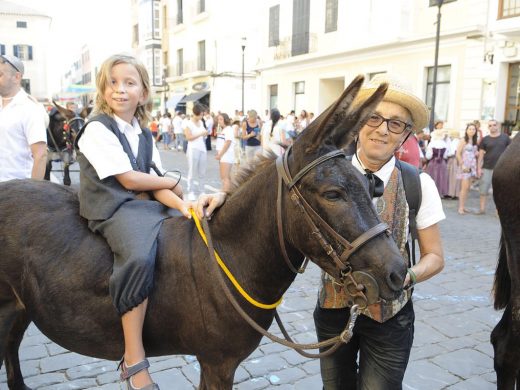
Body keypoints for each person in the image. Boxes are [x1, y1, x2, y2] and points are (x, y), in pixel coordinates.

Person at [313, 74, 445, 390]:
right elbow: (279, 188)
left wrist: (408, 277)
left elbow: (435, 256)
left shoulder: (419, 184)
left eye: (396, 124)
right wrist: (222, 197)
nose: (383, 128)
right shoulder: (325, 176)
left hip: (391, 319)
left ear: (405, 136)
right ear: (358, 123)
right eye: (374, 117)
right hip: (333, 313)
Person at [75, 54, 191, 389]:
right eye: (113, 82)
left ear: (143, 93)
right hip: (111, 207)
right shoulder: (97, 128)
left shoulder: (143, 134)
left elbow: (155, 182)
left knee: (185, 235)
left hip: (139, 204)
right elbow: (130, 180)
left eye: (129, 83)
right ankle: (133, 357)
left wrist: (184, 207)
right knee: (139, 256)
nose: (120, 90)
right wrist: (171, 183)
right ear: (103, 88)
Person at [0, 54, 48, 182]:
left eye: (0, 75)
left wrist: (33, 193)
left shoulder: (30, 109)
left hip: (17, 190)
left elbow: (40, 155)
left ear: (17, 77)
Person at [476, 119, 511, 214]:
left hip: (501, 169)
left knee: (500, 191)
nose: (492, 127)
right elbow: (481, 155)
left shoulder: (505, 138)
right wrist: (479, 168)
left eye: (494, 125)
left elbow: (510, 152)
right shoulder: (485, 139)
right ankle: (482, 209)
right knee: (483, 189)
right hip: (486, 167)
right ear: (488, 127)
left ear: (498, 126)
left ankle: (498, 211)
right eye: (490, 125)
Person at [184, 103, 209, 200]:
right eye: (201, 114)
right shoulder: (188, 124)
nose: (202, 116)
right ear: (196, 113)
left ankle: (202, 191)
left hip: (202, 148)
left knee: (202, 171)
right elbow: (188, 137)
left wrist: (205, 134)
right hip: (193, 149)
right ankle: (191, 191)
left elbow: (202, 135)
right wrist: (201, 133)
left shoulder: (201, 122)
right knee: (192, 171)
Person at [456, 123, 478, 214]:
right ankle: (460, 208)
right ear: (466, 130)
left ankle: (463, 206)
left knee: (468, 188)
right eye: (470, 129)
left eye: (473, 129)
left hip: (472, 167)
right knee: (464, 188)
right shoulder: (463, 140)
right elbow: (458, 154)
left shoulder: (474, 141)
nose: (472, 131)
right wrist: (462, 165)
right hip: (464, 167)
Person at [425, 129, 449, 197]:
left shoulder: (432, 143)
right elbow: (445, 156)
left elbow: (428, 156)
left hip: (433, 163)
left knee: (432, 177)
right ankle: (440, 193)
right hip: (442, 163)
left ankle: (431, 193)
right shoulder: (445, 144)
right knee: (441, 177)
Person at [215, 113, 235, 192]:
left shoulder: (228, 129)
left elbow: (228, 142)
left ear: (225, 120)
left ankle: (225, 195)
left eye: (221, 119)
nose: (219, 121)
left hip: (226, 156)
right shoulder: (225, 129)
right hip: (225, 156)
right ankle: (228, 194)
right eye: (218, 119)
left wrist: (220, 155)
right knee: (227, 178)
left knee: (224, 178)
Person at [445, 128, 461, 199]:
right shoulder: (458, 141)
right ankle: (455, 193)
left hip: (453, 159)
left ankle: (452, 193)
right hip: (455, 160)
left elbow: (452, 152)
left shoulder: (455, 141)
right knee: (455, 177)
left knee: (452, 177)